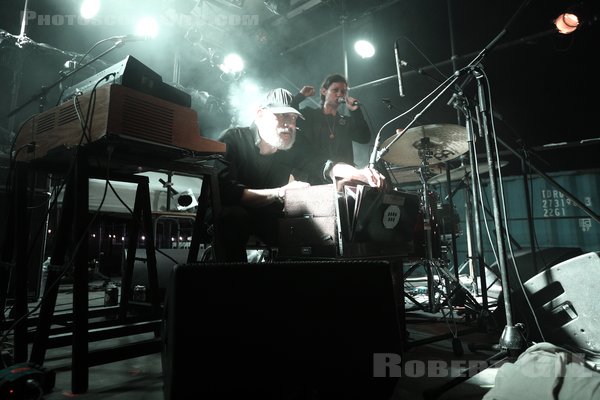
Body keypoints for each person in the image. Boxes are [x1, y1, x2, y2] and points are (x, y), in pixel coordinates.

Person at [213, 87, 385, 262]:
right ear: (260, 114)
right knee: (234, 217)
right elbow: (226, 194)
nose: (290, 125)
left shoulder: (290, 148)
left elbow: (325, 165)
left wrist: (360, 173)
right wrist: (280, 192)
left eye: (294, 118)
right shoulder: (233, 139)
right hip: (228, 214)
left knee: (308, 227)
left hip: (266, 215)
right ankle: (233, 285)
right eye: (282, 116)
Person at [291, 74, 372, 184]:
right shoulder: (309, 115)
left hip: (342, 179)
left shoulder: (345, 122)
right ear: (324, 91)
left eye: (343, 92)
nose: (339, 94)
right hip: (314, 178)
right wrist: (300, 96)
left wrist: (355, 111)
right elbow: (290, 116)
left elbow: (364, 137)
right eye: (335, 90)